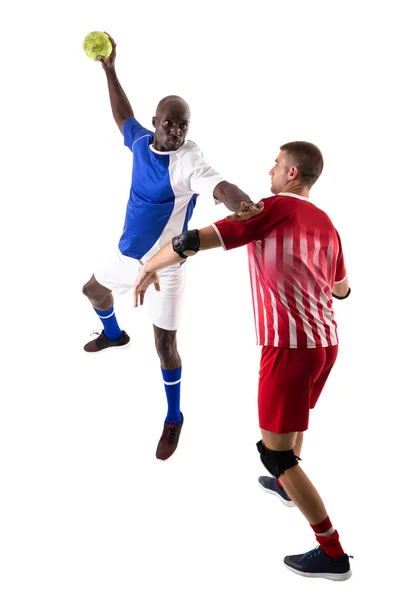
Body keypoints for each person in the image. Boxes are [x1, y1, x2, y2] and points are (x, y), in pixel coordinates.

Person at [132, 142, 352, 581]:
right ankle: (286, 487)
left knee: (275, 456)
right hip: (325, 344)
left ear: (291, 174)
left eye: (276, 163)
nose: (269, 169)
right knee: (294, 421)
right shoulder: (326, 221)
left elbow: (193, 240)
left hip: (289, 348)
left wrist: (149, 265)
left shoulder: (270, 208)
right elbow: (343, 290)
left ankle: (332, 553)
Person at [82, 34, 253, 461]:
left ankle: (174, 416)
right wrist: (109, 70)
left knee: (165, 347)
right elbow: (122, 115)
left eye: (183, 125)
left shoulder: (188, 163)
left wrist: (240, 203)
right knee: (93, 291)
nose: (175, 131)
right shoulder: (141, 141)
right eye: (169, 123)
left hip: (166, 267)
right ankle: (114, 334)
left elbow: (219, 185)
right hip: (127, 254)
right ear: (156, 121)